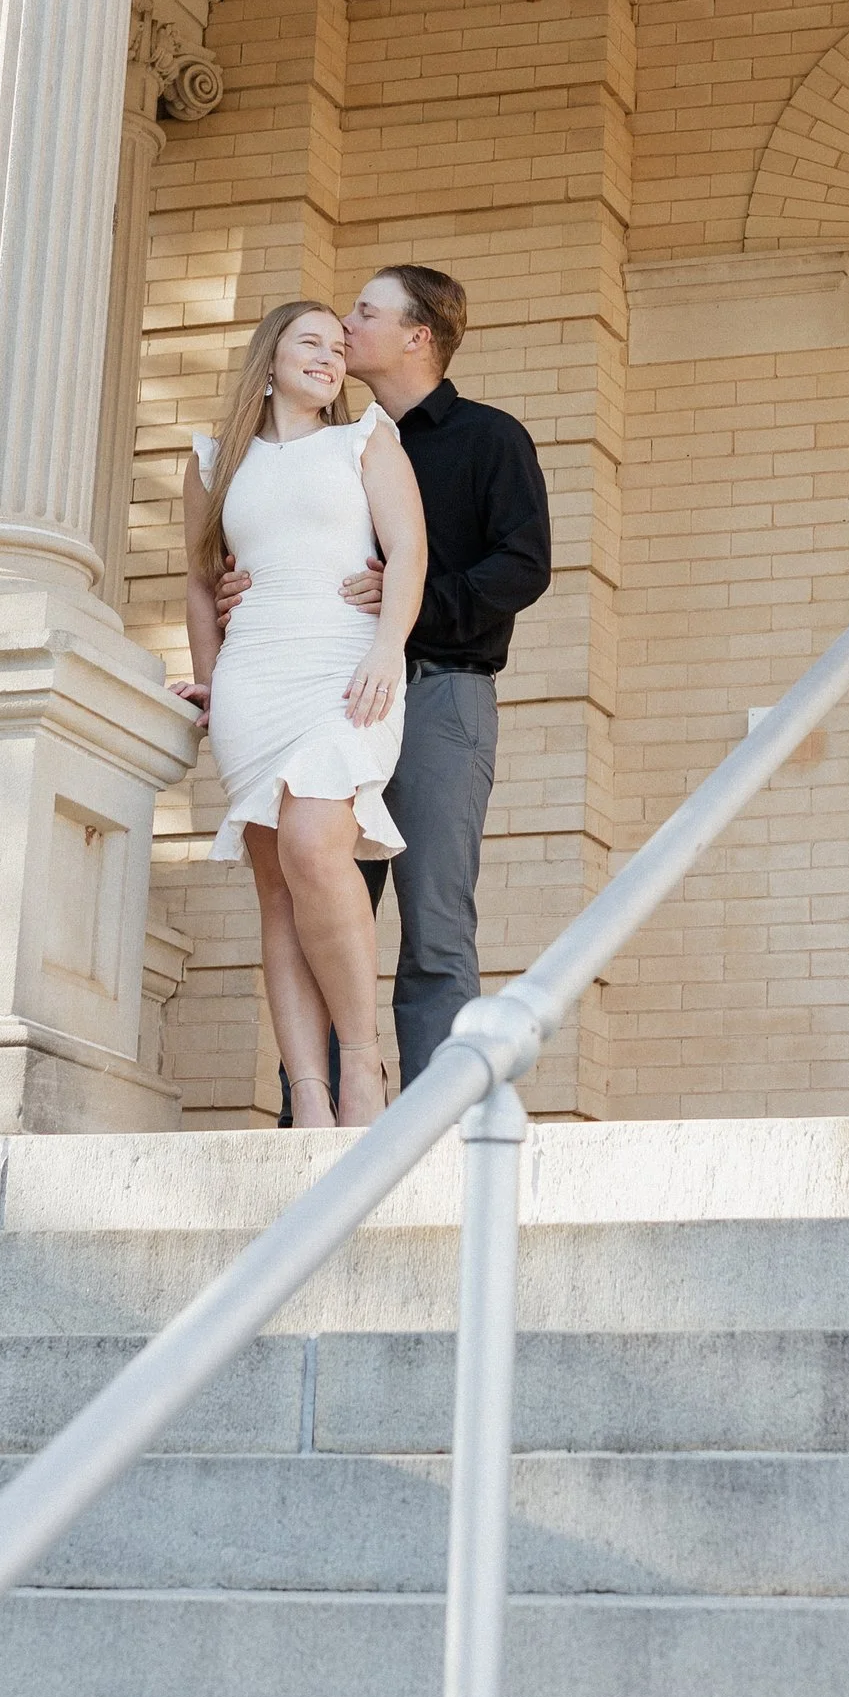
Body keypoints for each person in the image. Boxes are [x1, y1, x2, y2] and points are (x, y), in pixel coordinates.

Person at [218, 265, 550, 1084]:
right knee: (321, 901)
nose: (347, 326)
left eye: (365, 314)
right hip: (325, 697)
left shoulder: (487, 438)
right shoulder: (317, 448)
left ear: (418, 336)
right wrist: (242, 590)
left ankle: (436, 1124)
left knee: (435, 920)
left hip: (439, 692)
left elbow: (523, 567)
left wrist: (404, 606)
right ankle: (327, 1121)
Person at [176, 302, 427, 1131]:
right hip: (254, 681)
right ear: (270, 358)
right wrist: (209, 680)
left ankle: (362, 1068)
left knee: (318, 846)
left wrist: (389, 645)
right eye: (307, 343)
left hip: (346, 670)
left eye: (336, 345)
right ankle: (309, 1100)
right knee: (278, 892)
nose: (327, 355)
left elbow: (409, 551)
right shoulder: (215, 462)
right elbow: (200, 577)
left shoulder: (366, 439)